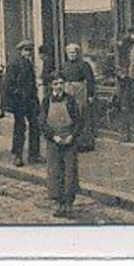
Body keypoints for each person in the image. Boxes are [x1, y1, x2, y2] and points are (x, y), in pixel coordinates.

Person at [42, 76, 83, 218]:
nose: (59, 86)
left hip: (69, 140)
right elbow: (42, 122)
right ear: (51, 86)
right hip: (54, 141)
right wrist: (53, 137)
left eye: (61, 83)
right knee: (55, 172)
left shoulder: (70, 100)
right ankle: (59, 204)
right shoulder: (46, 100)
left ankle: (69, 204)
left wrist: (72, 135)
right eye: (55, 83)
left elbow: (78, 121)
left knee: (70, 172)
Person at [0, 40, 42, 167]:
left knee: (35, 126)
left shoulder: (29, 64)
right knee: (20, 128)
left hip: (30, 100)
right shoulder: (14, 64)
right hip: (19, 101)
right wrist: (18, 93)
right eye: (26, 50)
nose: (28, 53)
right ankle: (17, 155)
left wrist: (34, 98)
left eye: (30, 50)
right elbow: (7, 85)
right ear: (20, 51)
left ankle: (34, 155)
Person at [58, 43, 99, 152]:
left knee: (81, 114)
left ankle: (83, 143)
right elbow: (59, 77)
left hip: (79, 90)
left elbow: (90, 80)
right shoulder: (64, 65)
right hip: (67, 89)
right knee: (68, 115)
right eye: (70, 53)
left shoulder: (84, 65)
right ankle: (69, 141)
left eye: (74, 52)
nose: (72, 55)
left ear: (78, 53)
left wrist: (90, 95)